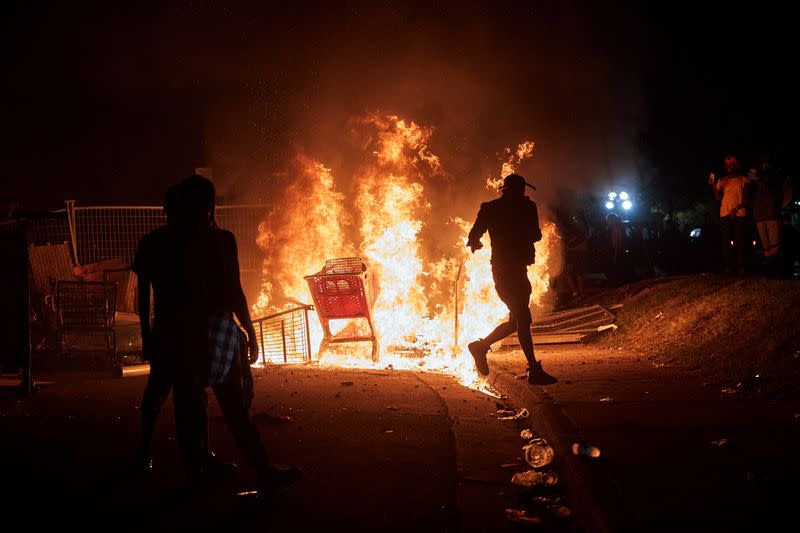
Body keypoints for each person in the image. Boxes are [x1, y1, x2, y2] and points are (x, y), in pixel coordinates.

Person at [465, 173, 557, 385]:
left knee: (516, 320)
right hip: (508, 271)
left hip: (510, 269)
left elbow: (474, 235)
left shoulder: (491, 208)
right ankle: (534, 369)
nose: (522, 193)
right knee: (522, 319)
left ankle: (480, 347)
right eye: (520, 190)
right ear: (513, 190)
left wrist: (475, 243)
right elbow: (535, 235)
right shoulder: (525, 208)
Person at [709, 155, 750, 274]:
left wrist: (736, 209)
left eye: (732, 165)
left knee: (739, 241)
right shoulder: (722, 180)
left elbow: (747, 199)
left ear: (736, 166)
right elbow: (717, 198)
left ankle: (741, 266)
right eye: (727, 165)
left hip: (739, 214)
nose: (729, 167)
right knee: (725, 242)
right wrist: (712, 186)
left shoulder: (743, 179)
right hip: (724, 214)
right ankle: (728, 267)